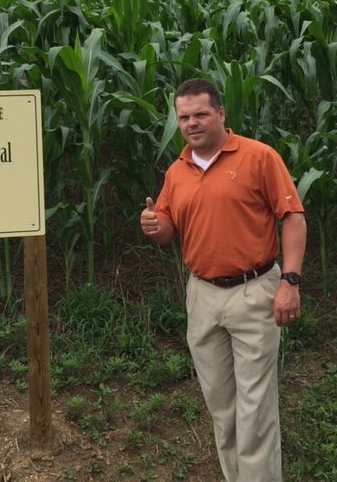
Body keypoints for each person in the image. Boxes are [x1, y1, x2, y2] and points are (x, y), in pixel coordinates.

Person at [140, 78, 306, 482]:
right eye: (183, 117)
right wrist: (152, 225)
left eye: (200, 114)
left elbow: (293, 217)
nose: (191, 123)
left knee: (255, 407)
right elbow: (167, 231)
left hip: (255, 292)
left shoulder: (257, 157)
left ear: (220, 114)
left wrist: (290, 281)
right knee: (222, 407)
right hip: (202, 296)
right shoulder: (177, 171)